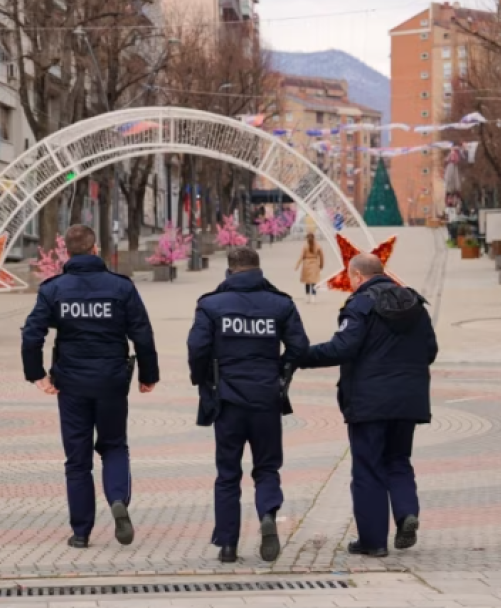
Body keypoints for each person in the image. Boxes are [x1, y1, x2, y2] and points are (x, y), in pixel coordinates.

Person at [21, 225, 159, 549]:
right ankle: (117, 500)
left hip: (71, 385)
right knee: (114, 446)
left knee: (77, 460)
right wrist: (148, 375)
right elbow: (142, 333)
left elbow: (32, 334)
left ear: (67, 252)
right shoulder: (121, 287)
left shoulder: (54, 289)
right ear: (96, 249)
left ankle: (81, 532)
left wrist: (36, 374)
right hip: (112, 381)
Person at [299, 254, 437, 557]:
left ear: (359, 276)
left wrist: (301, 356)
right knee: (398, 460)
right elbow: (430, 349)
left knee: (368, 469)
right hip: (408, 401)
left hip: (369, 402)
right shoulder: (414, 304)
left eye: (351, 278)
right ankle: (405, 514)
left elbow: (342, 348)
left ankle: (373, 541)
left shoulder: (360, 304)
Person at [187, 246, 309, 564]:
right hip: (266, 397)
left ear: (229, 269)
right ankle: (267, 513)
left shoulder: (211, 304)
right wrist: (281, 372)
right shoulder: (280, 303)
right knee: (267, 467)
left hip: (227, 399)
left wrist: (203, 380)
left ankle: (228, 545)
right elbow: (300, 346)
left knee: (228, 474)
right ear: (258, 268)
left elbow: (197, 347)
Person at [295, 232, 325, 303]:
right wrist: (321, 265)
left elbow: (301, 256)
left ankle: (308, 296)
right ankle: (313, 297)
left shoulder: (305, 246)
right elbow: (322, 256)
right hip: (315, 264)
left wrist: (297, 265)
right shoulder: (318, 246)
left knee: (307, 282)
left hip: (306, 264)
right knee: (314, 282)